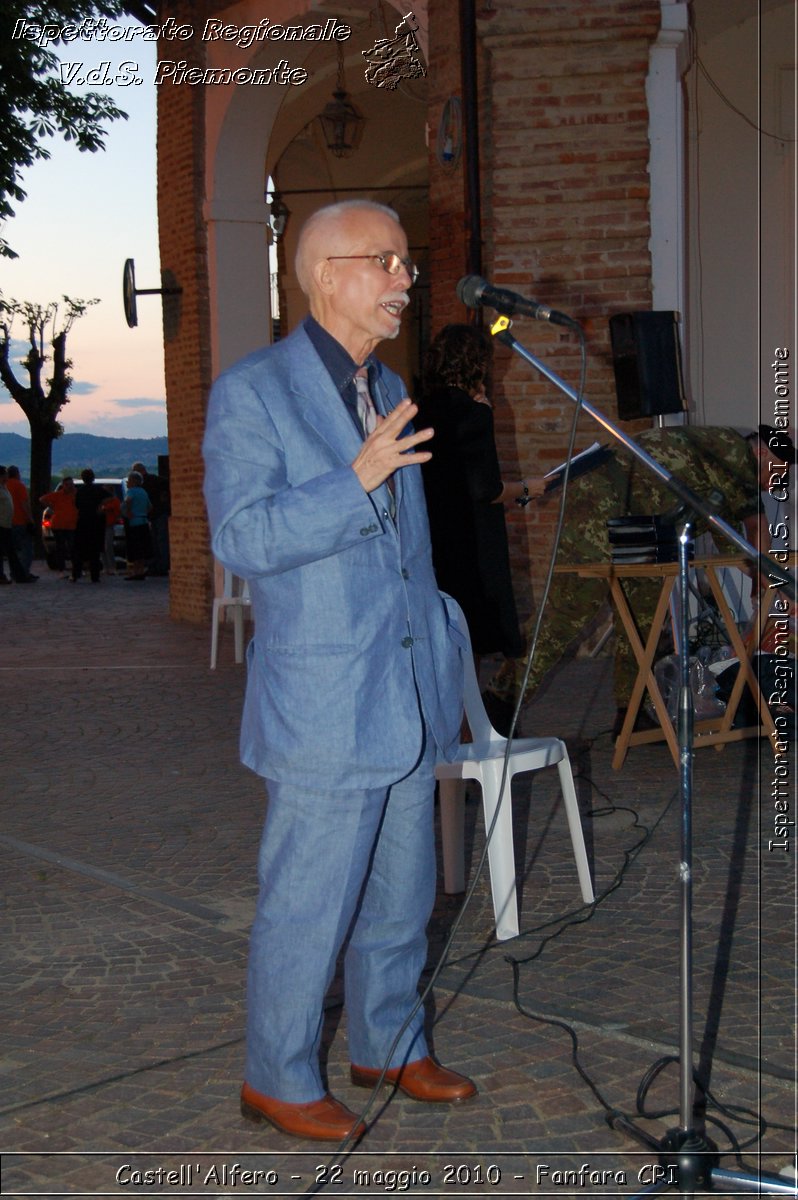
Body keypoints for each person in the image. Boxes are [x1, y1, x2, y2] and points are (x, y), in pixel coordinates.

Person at [203, 199, 473, 1144]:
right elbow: (241, 538)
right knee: (309, 904)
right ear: (326, 276)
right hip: (323, 700)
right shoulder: (253, 392)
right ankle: (275, 1078)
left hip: (402, 690)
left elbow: (410, 554)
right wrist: (350, 480)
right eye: (386, 261)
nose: (407, 278)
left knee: (404, 894)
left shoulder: (388, 384)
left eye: (406, 262)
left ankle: (390, 1043)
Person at [485, 423, 795, 728]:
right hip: (600, 500)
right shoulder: (734, 453)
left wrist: (764, 584)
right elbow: (755, 527)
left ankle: (630, 710)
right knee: (568, 611)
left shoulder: (727, 470)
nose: (776, 485)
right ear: (763, 453)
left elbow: (739, 540)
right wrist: (774, 585)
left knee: (643, 614)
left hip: (639, 521)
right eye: (779, 474)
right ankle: (501, 699)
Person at [417, 323, 544, 661]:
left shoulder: (419, 410)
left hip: (430, 534)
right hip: (469, 541)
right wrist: (528, 487)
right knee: (469, 636)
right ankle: (470, 712)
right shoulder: (474, 414)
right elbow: (486, 488)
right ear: (477, 364)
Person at [131, 460, 170, 575]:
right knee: (156, 542)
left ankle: (162, 566)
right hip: (155, 515)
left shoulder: (152, 481)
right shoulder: (152, 480)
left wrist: (164, 497)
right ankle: (158, 566)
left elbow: (167, 484)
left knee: (160, 542)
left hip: (158, 515)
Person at [71, 468, 108, 583]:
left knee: (79, 550)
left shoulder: (80, 491)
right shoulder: (99, 490)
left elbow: (76, 505)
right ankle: (95, 576)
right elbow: (111, 497)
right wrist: (100, 506)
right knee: (95, 550)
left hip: (82, 522)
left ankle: (76, 574)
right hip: (96, 523)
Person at [40, 477, 78, 576]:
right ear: (63, 485)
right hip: (58, 525)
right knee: (61, 548)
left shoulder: (77, 494)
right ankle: (62, 569)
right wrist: (52, 507)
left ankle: (76, 568)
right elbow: (42, 499)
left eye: (71, 484)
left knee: (73, 547)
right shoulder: (57, 495)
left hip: (72, 525)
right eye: (67, 484)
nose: (70, 486)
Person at [6, 465, 37, 581]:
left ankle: (14, 572)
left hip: (7, 522)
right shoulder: (19, 486)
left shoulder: (4, 486)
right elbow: (24, 504)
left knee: (13, 550)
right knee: (26, 549)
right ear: (17, 474)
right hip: (20, 521)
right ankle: (24, 572)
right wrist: (30, 520)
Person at [0, 466, 29, 583]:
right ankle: (18, 575)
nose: (7, 476)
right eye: (5, 474)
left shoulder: (4, 487)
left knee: (10, 551)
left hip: (6, 524)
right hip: (1, 524)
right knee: (9, 552)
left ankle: (17, 575)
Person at [122, 471, 153, 580]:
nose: (128, 483)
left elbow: (128, 501)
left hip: (134, 523)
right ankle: (141, 570)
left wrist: (129, 511)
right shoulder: (143, 492)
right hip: (143, 521)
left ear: (134, 481)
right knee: (142, 548)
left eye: (129, 480)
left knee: (135, 548)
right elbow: (150, 507)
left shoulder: (131, 491)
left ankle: (136, 572)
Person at [99, 485, 121, 575]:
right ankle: (105, 566)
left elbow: (116, 512)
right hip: (101, 526)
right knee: (102, 547)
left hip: (109, 525)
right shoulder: (101, 502)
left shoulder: (115, 501)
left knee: (108, 546)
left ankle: (112, 566)